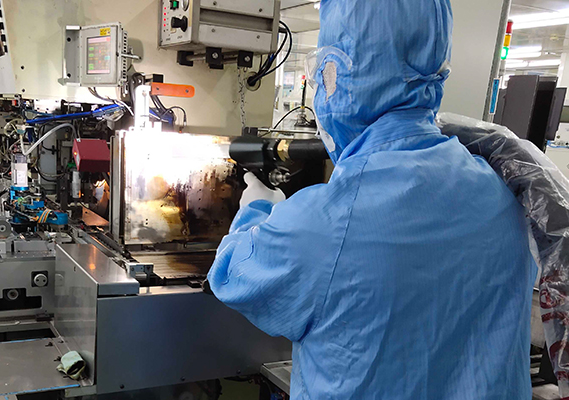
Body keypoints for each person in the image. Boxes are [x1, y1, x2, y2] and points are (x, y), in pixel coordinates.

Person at [207, 0, 537, 398]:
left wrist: (255, 209)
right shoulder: (504, 193)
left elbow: (231, 275)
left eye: (325, 71)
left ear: (343, 72)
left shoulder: (325, 222)